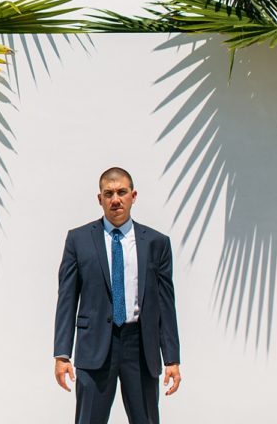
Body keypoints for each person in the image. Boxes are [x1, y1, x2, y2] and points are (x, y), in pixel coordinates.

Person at [53, 167, 181, 424]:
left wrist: (172, 358)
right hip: (95, 345)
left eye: (122, 192)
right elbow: (67, 299)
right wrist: (62, 354)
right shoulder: (78, 240)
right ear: (99, 199)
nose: (115, 199)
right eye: (108, 193)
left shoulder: (156, 243)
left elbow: (166, 304)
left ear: (133, 196)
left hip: (140, 347)